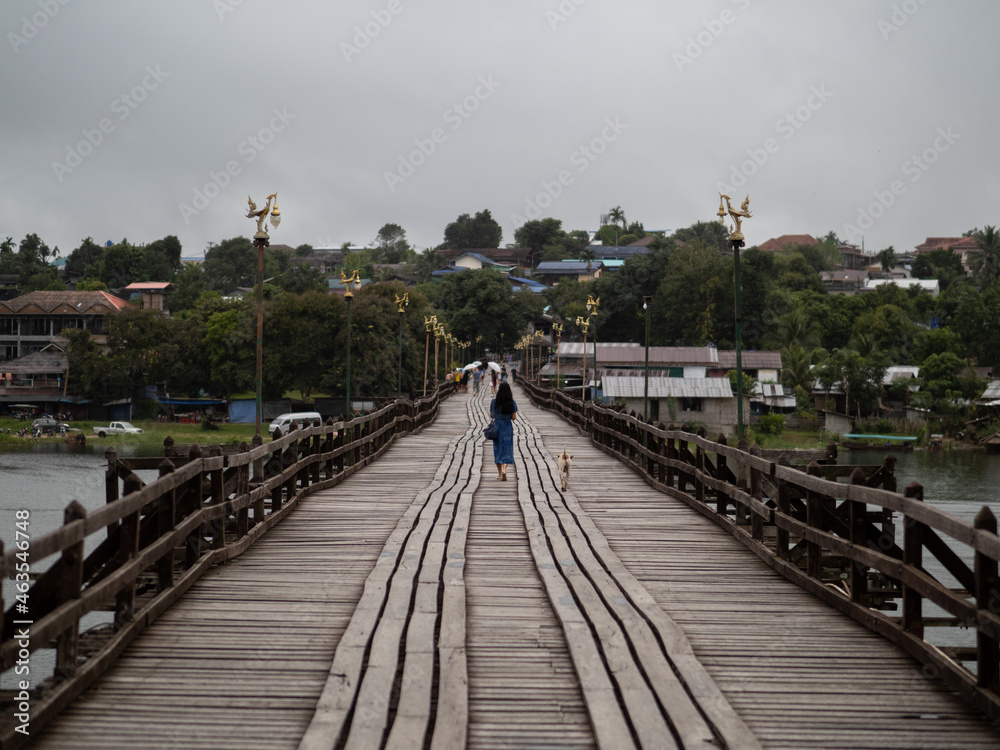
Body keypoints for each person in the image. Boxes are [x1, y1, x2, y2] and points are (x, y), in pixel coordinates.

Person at [489, 381, 518, 481]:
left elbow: (491, 415)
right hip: (507, 427)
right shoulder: (512, 403)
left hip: (497, 427)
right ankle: (504, 470)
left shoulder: (494, 402)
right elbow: (514, 417)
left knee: (497, 449)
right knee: (507, 448)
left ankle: (499, 473)